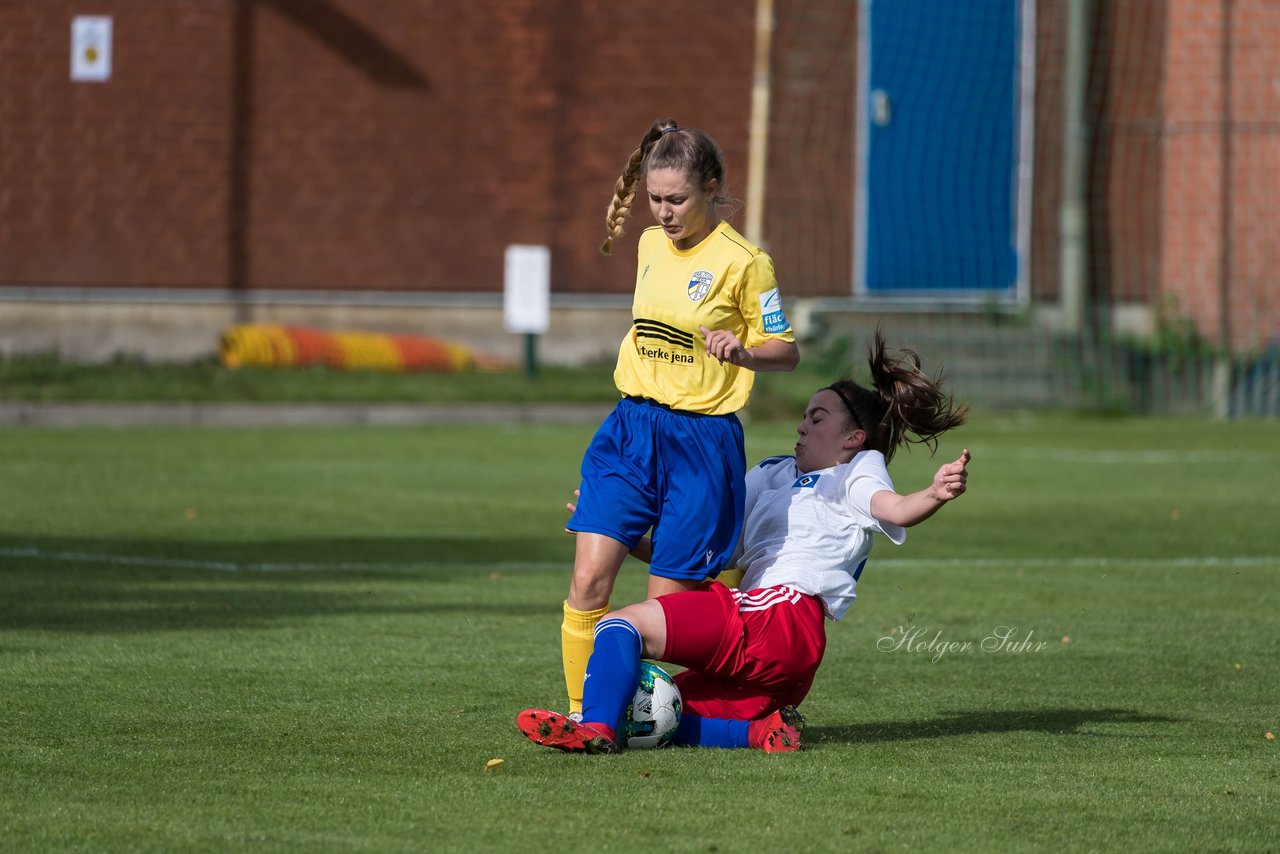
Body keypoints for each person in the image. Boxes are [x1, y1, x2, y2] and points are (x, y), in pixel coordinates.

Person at [520, 333, 969, 753]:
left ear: (853, 438)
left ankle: (591, 729)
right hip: (787, 656)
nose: (802, 428)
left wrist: (933, 494)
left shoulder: (853, 471)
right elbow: (710, 555)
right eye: (803, 417)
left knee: (619, 626)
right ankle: (760, 733)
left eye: (818, 418)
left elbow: (892, 508)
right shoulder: (773, 473)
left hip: (779, 616)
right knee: (648, 711)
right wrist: (620, 533)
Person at [559, 118, 800, 715]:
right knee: (588, 583)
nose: (663, 212)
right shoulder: (646, 244)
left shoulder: (748, 263)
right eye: (654, 199)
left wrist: (743, 352)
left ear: (712, 187)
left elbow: (786, 350)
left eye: (676, 199)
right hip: (630, 430)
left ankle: (730, 684)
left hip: (702, 441)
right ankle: (585, 715)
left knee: (662, 614)